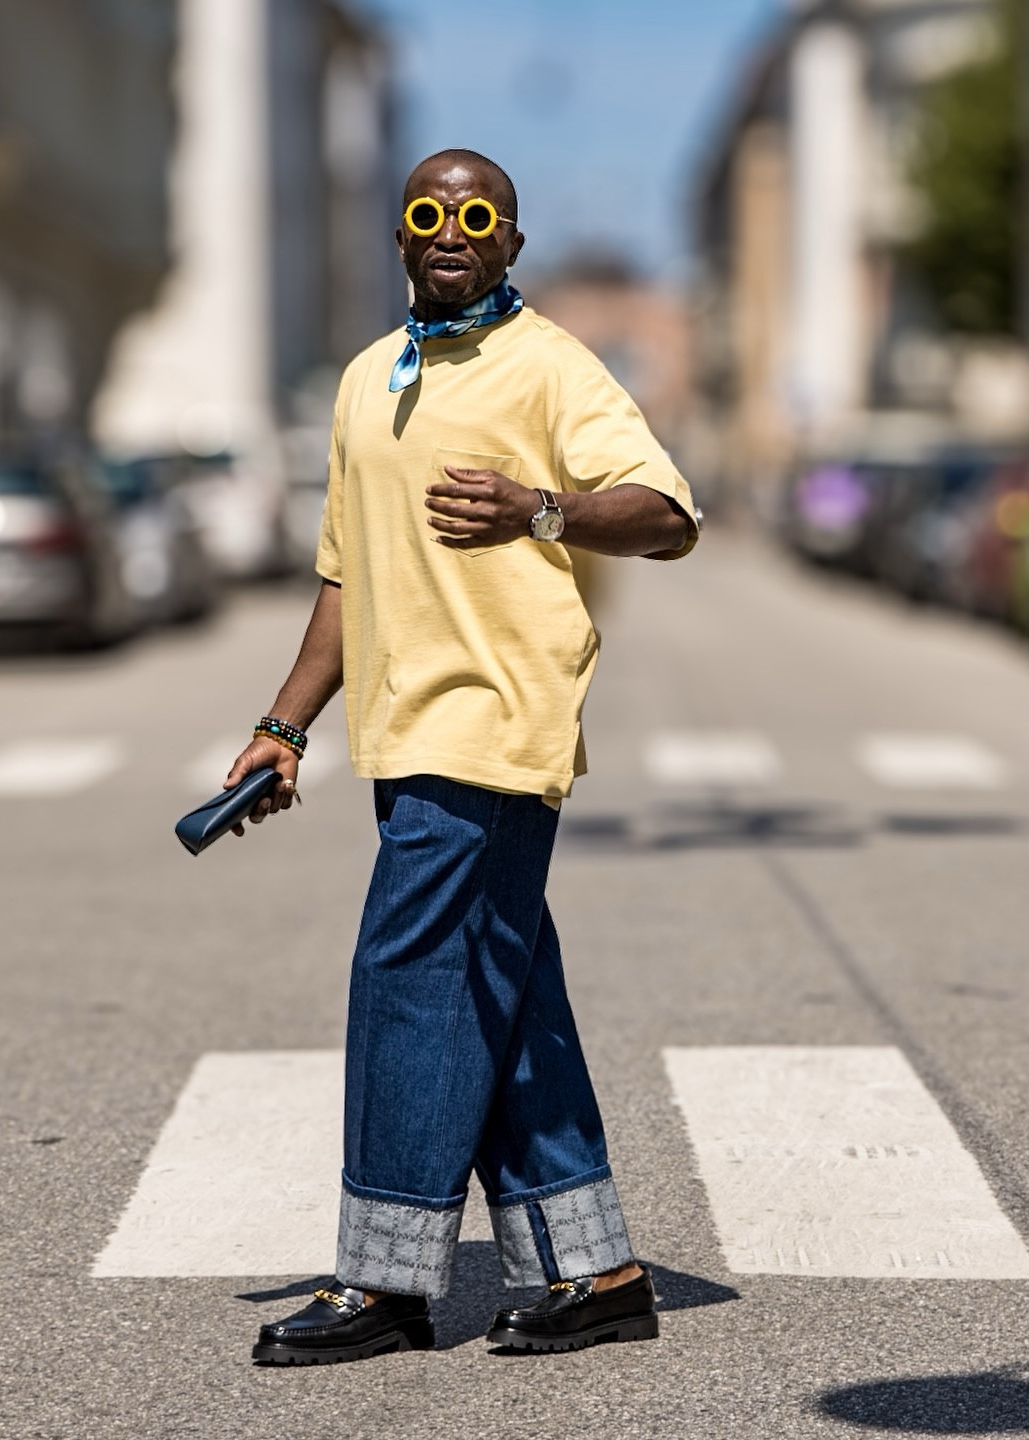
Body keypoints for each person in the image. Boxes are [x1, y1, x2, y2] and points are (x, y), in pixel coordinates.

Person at [226, 149, 698, 1365]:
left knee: (411, 978)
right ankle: (595, 1272)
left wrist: (540, 507)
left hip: (494, 722)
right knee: (502, 984)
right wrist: (284, 728)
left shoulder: (549, 364)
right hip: (401, 728)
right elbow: (346, 573)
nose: (452, 229)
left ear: (511, 243)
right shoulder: (364, 380)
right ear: (400, 236)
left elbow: (667, 513)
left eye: (476, 214)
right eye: (429, 212)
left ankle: (384, 1285)